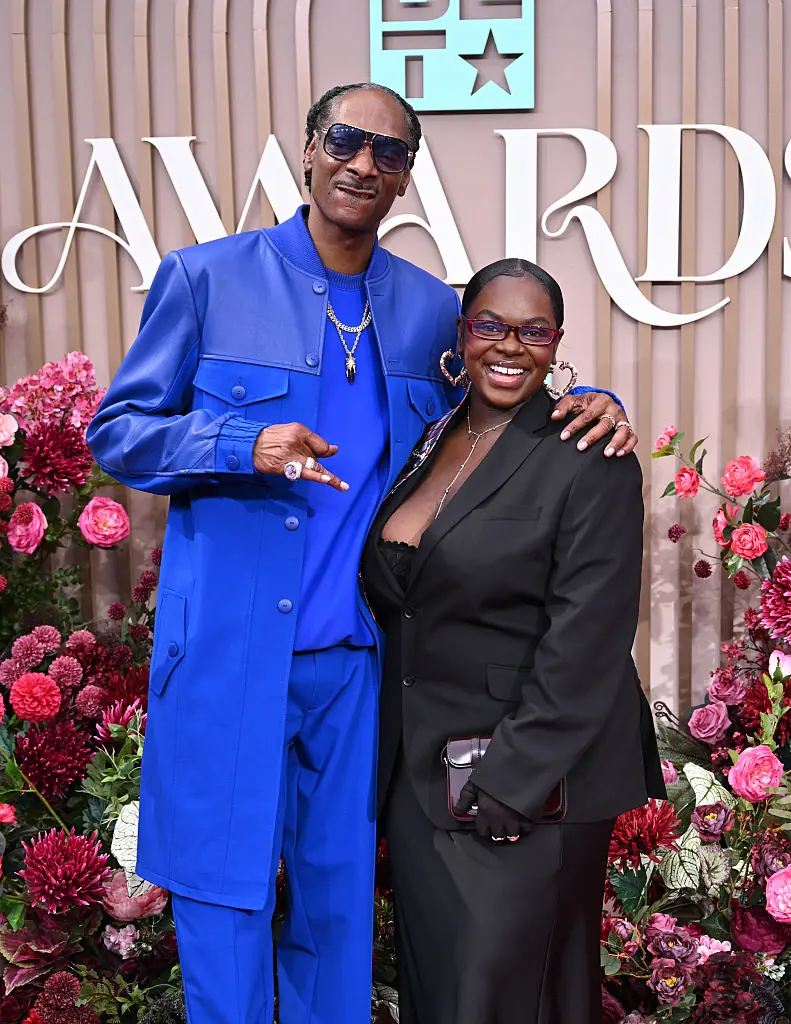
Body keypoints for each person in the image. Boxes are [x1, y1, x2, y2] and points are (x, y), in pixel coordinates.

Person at [86, 81, 636, 1024]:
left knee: (337, 907)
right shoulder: (205, 278)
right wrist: (236, 445)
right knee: (225, 897)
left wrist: (595, 405)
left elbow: (497, 402)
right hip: (226, 655)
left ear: (406, 177)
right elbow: (119, 432)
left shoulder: (429, 311)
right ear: (306, 149)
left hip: (361, 670)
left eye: (387, 153)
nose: (361, 164)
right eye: (345, 140)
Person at [361, 258, 666, 1024]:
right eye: (490, 324)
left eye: (534, 330)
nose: (510, 345)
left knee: (504, 998)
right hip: (422, 780)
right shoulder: (432, 436)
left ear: (556, 344)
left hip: (527, 787)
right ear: (461, 335)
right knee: (441, 995)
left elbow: (587, 640)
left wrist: (512, 781)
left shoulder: (589, 456)